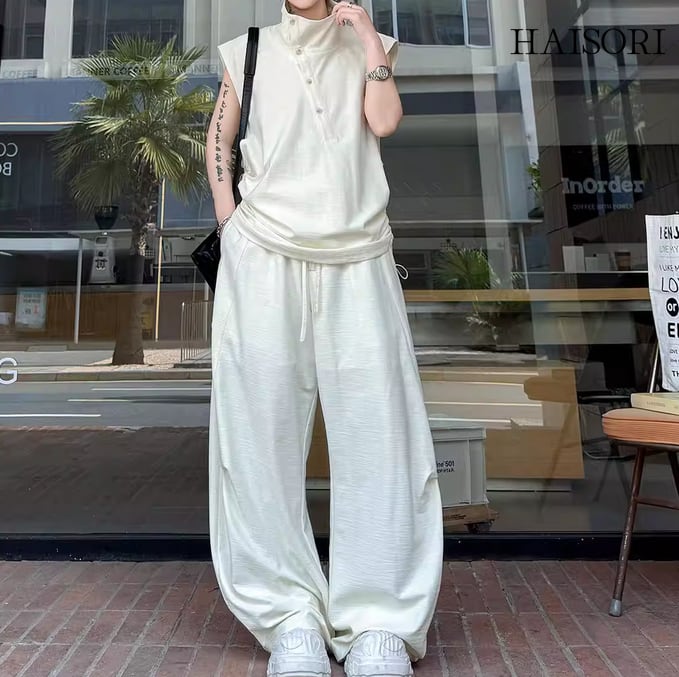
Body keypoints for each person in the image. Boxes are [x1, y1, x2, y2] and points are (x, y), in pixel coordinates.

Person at [206, 1, 443, 675]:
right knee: (260, 436)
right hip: (263, 255)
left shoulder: (371, 46)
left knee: (380, 434)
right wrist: (231, 228)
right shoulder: (247, 48)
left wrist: (366, 37)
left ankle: (380, 618)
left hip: (359, 254)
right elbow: (217, 141)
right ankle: (289, 617)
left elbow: (384, 121)